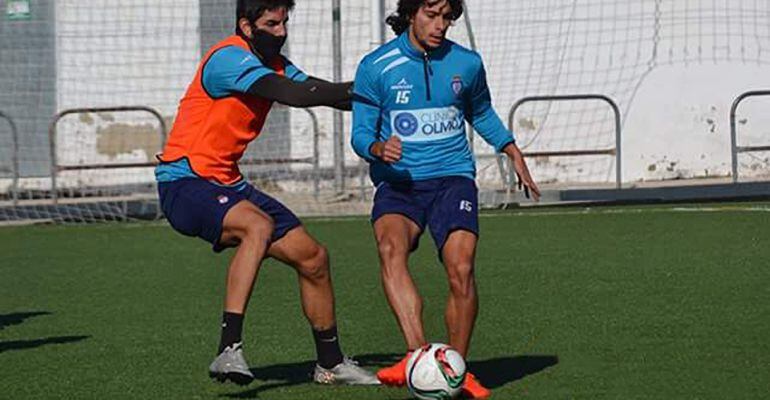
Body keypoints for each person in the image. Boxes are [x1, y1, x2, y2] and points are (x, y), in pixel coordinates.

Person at [155, 0, 378, 387]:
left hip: (227, 183)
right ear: (246, 26)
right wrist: (373, 86)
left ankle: (330, 364)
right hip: (185, 184)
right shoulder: (227, 58)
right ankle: (229, 349)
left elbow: (320, 91)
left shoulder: (275, 63)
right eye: (272, 24)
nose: (281, 31)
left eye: (284, 22)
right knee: (257, 226)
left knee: (313, 258)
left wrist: (387, 95)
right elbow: (299, 95)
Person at [351, 0, 541, 397]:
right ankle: (417, 356)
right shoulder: (376, 66)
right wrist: (377, 148)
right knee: (390, 248)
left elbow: (481, 112)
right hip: (399, 183)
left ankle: (457, 367)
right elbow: (360, 132)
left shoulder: (467, 63)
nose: (440, 26)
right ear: (410, 13)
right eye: (431, 15)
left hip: (452, 178)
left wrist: (511, 149)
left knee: (462, 267)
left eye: (447, 18)